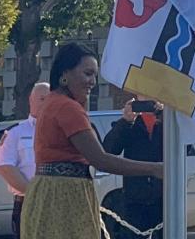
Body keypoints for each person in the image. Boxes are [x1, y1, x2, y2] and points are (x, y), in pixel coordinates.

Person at [20, 42, 163, 239]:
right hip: (64, 195)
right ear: (65, 74)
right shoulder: (67, 107)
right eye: (87, 74)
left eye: (95, 75)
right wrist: (154, 169)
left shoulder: (53, 102)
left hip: (48, 191)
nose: (93, 82)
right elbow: (100, 159)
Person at [0, 81, 50, 238]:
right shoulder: (15, 133)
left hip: (56, 201)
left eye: (50, 99)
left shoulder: (62, 131)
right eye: (42, 99)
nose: (47, 103)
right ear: (31, 100)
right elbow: (4, 166)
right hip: (28, 202)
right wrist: (35, 193)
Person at [102, 96, 165, 239]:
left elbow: (185, 148)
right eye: (142, 93)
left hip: (164, 198)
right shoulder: (131, 124)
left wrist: (164, 116)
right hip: (135, 200)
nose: (147, 97)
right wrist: (125, 121)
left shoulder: (166, 121)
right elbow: (109, 149)